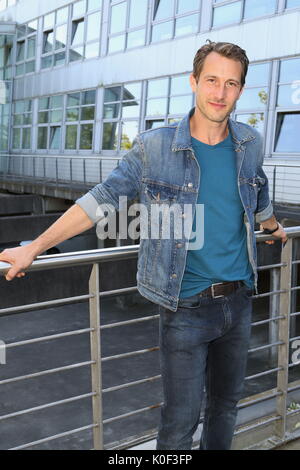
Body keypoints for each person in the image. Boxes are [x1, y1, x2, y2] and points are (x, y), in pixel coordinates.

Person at [0, 41, 287, 450]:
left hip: (239, 301)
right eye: (211, 80)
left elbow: (257, 195)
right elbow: (101, 199)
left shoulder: (249, 143)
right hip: (185, 307)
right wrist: (34, 247)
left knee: (225, 408)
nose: (219, 93)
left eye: (230, 83)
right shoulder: (155, 147)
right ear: (193, 81)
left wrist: (273, 227)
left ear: (240, 90)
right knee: (179, 425)